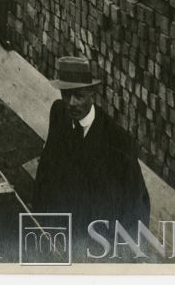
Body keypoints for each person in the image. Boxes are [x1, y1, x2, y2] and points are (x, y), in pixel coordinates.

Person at [32, 56, 151, 253]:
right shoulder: (60, 115)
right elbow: (45, 174)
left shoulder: (117, 140)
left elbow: (138, 204)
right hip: (59, 238)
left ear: (92, 93)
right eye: (66, 95)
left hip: (99, 244)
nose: (71, 103)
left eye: (79, 96)